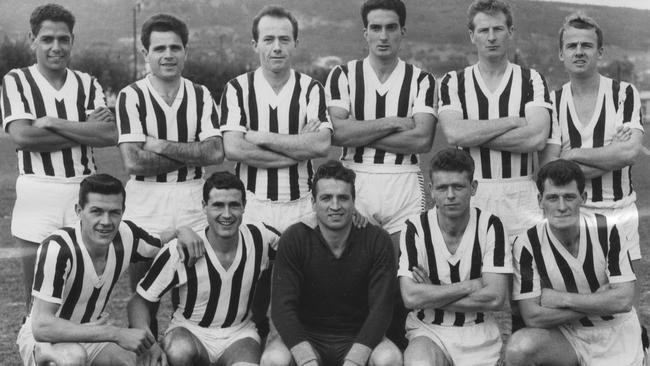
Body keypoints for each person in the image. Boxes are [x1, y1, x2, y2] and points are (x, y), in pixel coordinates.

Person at [15, 174, 204, 366]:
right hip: (46, 340)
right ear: (79, 211)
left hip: (93, 332)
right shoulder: (58, 249)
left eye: (114, 212)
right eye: (96, 211)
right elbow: (41, 326)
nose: (106, 221)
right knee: (72, 357)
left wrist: (182, 231)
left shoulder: (127, 236)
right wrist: (115, 333)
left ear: (123, 212)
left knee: (142, 362)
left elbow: (160, 241)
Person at [0, 3, 117, 313]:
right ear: (32, 39)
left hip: (83, 190)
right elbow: (24, 137)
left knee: (83, 297)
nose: (56, 47)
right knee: (37, 301)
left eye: (63, 39)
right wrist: (85, 127)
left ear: (72, 41)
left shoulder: (87, 82)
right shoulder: (17, 80)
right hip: (37, 193)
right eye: (47, 39)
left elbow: (108, 135)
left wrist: (52, 122)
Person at [116, 13, 223, 328]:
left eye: (175, 47)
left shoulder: (201, 94)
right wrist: (193, 152)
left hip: (192, 200)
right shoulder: (131, 95)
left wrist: (158, 145)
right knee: (144, 293)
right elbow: (133, 161)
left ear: (185, 52)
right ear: (145, 53)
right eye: (159, 48)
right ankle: (147, 355)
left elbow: (215, 152)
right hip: (145, 201)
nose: (168, 55)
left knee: (191, 294)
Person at [128, 172, 279, 366]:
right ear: (204, 207)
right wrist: (148, 343)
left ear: (244, 207)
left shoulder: (260, 237)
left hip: (239, 334)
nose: (226, 214)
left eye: (234, 205)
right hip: (190, 331)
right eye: (217, 205)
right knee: (179, 351)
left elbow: (297, 249)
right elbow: (139, 301)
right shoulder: (181, 248)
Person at [261, 161, 402, 366]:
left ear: (354, 201)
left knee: (390, 358)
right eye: (326, 198)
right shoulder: (294, 238)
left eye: (343, 198)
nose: (335, 206)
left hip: (359, 335)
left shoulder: (377, 240)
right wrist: (306, 359)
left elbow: (381, 310)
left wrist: (355, 359)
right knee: (273, 359)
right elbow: (282, 309)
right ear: (313, 202)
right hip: (306, 335)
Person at [505, 159, 644, 366]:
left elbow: (623, 301)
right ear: (539, 200)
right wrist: (600, 301)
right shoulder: (526, 244)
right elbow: (533, 317)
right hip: (570, 336)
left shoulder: (607, 229)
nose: (561, 207)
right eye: (553, 198)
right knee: (519, 349)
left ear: (583, 198)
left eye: (569, 197)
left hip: (617, 333)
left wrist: (560, 299)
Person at [325, 0, 436, 251]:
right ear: (365, 33)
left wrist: (357, 132)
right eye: (375, 28)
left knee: (402, 270)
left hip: (404, 182)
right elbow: (337, 133)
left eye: (391, 27)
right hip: (354, 179)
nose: (383, 36)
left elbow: (422, 140)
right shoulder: (342, 74)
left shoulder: (422, 80)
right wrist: (393, 122)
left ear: (402, 32)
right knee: (355, 272)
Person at [438, 0, 552, 242]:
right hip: (473, 193)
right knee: (479, 277)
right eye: (483, 30)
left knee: (527, 277)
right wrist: (513, 121)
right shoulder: (453, 81)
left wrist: (474, 133)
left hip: (523, 193)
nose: (491, 37)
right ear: (472, 35)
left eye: (498, 29)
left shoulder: (532, 79)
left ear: (510, 31)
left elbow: (536, 137)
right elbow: (454, 134)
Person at [541, 12, 643, 267]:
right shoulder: (552, 102)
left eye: (586, 45)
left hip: (620, 211)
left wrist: (573, 155)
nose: (579, 52)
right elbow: (550, 170)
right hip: (571, 215)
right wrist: (611, 153)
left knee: (622, 303)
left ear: (599, 52)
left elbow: (629, 153)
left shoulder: (624, 94)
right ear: (561, 54)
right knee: (577, 300)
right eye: (571, 46)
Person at [220, 5, 331, 232]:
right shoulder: (237, 89)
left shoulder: (311, 88)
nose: (277, 48)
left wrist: (257, 136)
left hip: (301, 205)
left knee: (298, 269)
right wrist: (299, 146)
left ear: (295, 44)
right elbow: (234, 149)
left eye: (284, 40)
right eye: (269, 40)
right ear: (255, 44)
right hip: (250, 205)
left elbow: (321, 144)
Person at [398, 148, 510, 366]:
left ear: (473, 187)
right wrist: (471, 285)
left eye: (458, 186)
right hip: (428, 330)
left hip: (479, 333)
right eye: (442, 187)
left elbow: (495, 297)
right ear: (431, 190)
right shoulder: (415, 227)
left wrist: (432, 292)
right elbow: (411, 297)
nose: (450, 195)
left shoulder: (491, 226)